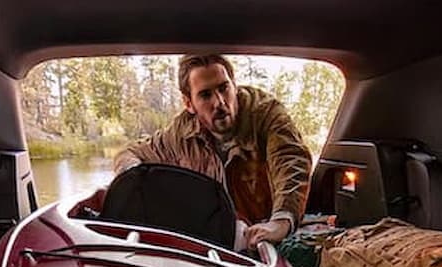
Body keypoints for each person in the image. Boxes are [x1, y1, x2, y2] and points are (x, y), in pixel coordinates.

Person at [114, 54, 312, 249]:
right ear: (188, 103)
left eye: (224, 88)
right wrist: (135, 176)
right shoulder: (180, 133)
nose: (219, 102)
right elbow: (131, 153)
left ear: (234, 85)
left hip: (265, 235)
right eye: (205, 95)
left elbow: (291, 161)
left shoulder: (266, 114)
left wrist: (281, 221)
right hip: (214, 244)